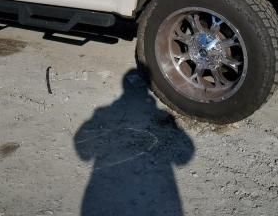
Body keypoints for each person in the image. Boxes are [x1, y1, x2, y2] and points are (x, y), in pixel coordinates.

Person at [75, 70, 195, 216]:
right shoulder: (160, 115)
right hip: (155, 196)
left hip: (104, 197)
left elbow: (83, 151)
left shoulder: (102, 113)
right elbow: (185, 156)